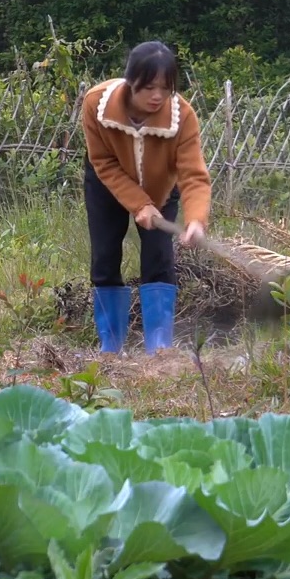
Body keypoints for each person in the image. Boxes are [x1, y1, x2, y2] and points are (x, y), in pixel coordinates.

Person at [79, 41, 211, 355]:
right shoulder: (97, 104)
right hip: (107, 182)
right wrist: (139, 204)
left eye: (165, 89)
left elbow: (193, 174)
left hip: (161, 186)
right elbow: (104, 162)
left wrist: (195, 220)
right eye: (149, 87)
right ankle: (111, 346)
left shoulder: (183, 117)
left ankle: (159, 349)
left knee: (159, 259)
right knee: (105, 257)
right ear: (130, 81)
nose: (157, 96)